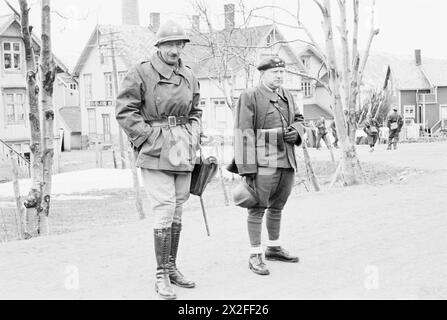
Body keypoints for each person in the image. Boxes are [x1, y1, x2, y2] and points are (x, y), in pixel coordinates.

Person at [115, 20, 201, 300]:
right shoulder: (141, 72)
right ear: (159, 46)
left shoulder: (189, 74)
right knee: (164, 208)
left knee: (177, 208)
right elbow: (125, 111)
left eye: (179, 44)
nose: (175, 49)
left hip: (183, 146)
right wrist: (148, 138)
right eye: (170, 44)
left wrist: (195, 133)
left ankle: (172, 268)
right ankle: (161, 275)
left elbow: (196, 109)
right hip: (155, 148)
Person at [233, 56, 304, 276]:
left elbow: (300, 118)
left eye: (282, 72)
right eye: (275, 72)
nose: (280, 76)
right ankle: (255, 254)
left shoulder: (288, 95)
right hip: (263, 163)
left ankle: (273, 247)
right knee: (257, 207)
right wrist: (247, 169)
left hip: (287, 160)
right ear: (262, 74)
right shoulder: (250, 96)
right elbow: (243, 132)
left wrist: (298, 131)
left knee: (278, 206)